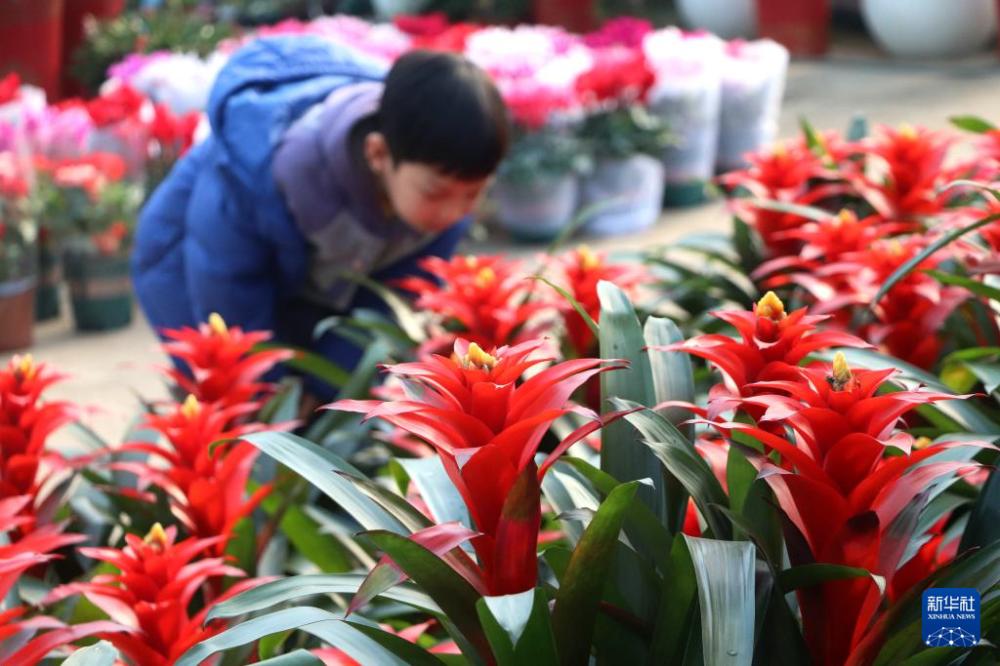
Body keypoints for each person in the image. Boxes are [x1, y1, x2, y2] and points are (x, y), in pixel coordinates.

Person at [132, 35, 509, 399]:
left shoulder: (437, 194)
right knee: (230, 402)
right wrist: (266, 395)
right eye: (437, 193)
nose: (455, 211)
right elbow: (228, 291)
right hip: (186, 260)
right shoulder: (275, 172)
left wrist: (326, 387)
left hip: (307, 279)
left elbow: (383, 305)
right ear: (378, 155)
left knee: (318, 399)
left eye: (474, 193)